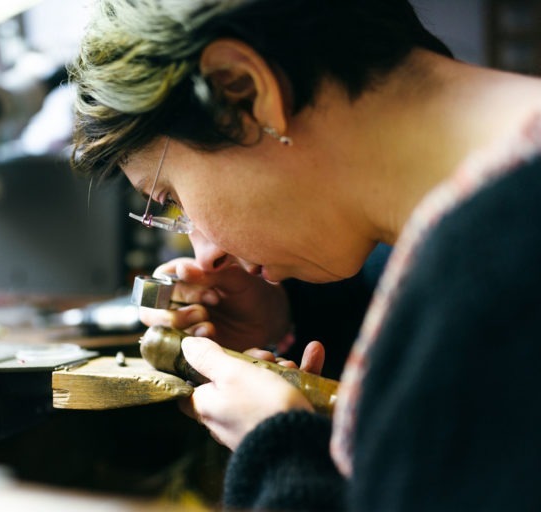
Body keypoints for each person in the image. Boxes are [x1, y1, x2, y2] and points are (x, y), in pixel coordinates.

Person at [69, 0, 541, 510]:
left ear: (242, 90)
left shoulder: (498, 273)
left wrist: (278, 453)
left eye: (171, 199)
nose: (206, 258)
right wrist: (283, 322)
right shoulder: (485, 238)